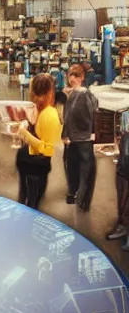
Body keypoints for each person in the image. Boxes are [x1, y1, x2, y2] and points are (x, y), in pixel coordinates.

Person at [16, 73, 62, 210]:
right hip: (31, 166)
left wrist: (24, 133)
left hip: (36, 167)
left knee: (31, 204)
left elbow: (48, 149)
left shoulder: (49, 114)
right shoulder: (43, 111)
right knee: (28, 201)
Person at [62, 64, 98, 210]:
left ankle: (79, 199)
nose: (72, 78)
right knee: (78, 170)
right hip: (77, 139)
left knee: (81, 171)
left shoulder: (83, 94)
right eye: (71, 75)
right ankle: (78, 199)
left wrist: (92, 133)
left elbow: (92, 114)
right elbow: (68, 117)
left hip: (81, 139)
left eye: (76, 75)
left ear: (82, 77)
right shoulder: (75, 95)